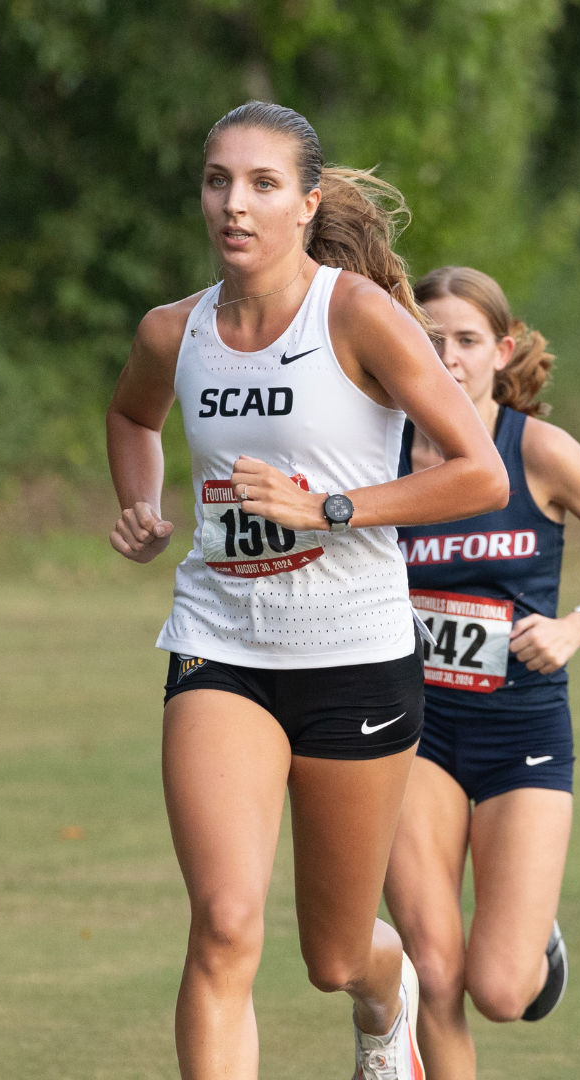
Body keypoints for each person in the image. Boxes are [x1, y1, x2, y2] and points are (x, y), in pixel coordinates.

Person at [106, 101, 509, 1080]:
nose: (234, 204)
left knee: (334, 957)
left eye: (262, 184)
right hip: (220, 646)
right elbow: (131, 415)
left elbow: (480, 473)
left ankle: (385, 995)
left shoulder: (358, 316)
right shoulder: (174, 331)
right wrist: (142, 504)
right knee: (223, 924)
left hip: (355, 659)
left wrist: (327, 509)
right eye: (218, 181)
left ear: (307, 203)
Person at [382, 266, 580, 1078]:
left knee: (499, 990)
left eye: (467, 340)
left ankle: (531, 938)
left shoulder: (539, 450)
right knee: (433, 971)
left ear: (501, 351)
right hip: (412, 730)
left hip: (522, 729)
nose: (448, 356)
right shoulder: (378, 454)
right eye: (430, 339)